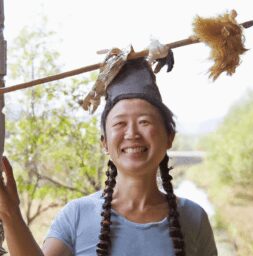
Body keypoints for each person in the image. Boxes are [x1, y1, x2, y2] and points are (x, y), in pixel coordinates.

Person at [0, 58, 217, 256]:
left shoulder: (194, 218)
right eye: (120, 123)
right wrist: (9, 213)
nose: (132, 133)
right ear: (104, 142)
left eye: (144, 122)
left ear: (169, 137)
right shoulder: (76, 215)